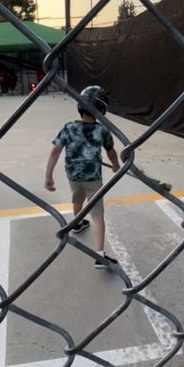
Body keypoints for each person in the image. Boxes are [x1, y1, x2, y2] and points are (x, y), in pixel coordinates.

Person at [44, 85, 120, 269]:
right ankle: (99, 256)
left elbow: (55, 152)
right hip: (93, 178)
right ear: (101, 109)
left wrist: (48, 176)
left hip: (74, 175)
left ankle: (77, 223)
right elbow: (111, 152)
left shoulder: (69, 127)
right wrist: (116, 166)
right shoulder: (102, 131)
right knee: (97, 215)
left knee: (77, 198)